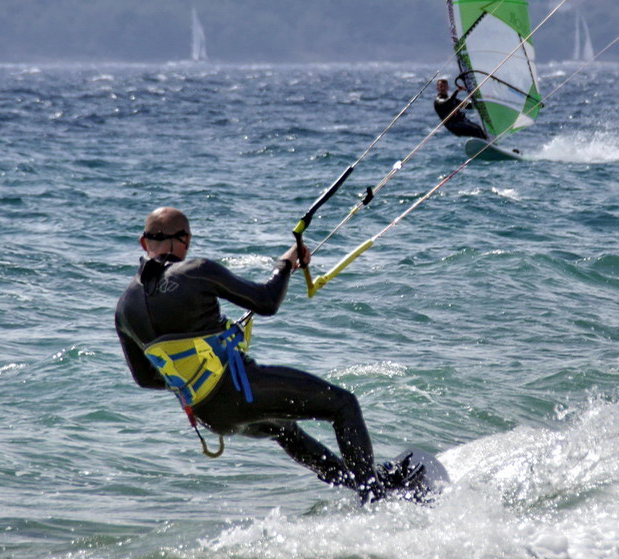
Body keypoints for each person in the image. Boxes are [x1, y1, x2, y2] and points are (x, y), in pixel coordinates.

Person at [114, 206, 422, 502]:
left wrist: (197, 369)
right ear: (186, 240)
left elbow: (145, 379)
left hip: (210, 415)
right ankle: (375, 498)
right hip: (240, 391)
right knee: (343, 405)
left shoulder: (124, 308)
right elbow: (266, 301)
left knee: (284, 430)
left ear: (144, 242)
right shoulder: (196, 271)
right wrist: (285, 265)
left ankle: (360, 484)